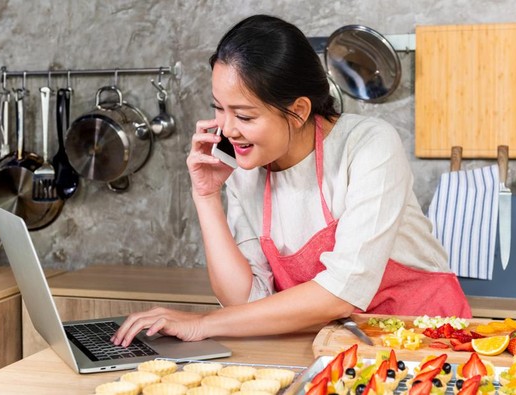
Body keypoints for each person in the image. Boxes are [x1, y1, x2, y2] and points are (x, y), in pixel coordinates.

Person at [112, 14, 470, 347]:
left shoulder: (368, 145)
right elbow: (245, 299)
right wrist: (206, 196)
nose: (226, 129)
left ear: (298, 111)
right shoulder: (246, 166)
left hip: (424, 340)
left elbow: (341, 291)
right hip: (333, 344)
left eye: (244, 115)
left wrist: (204, 323)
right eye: (219, 108)